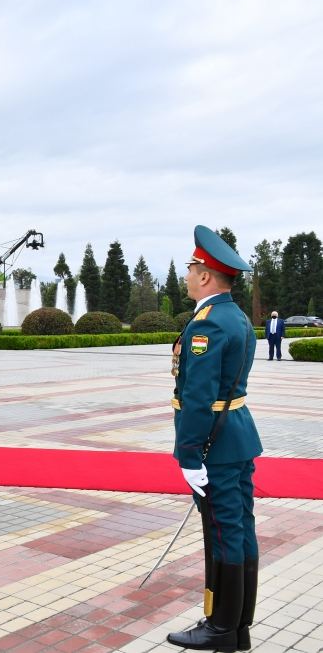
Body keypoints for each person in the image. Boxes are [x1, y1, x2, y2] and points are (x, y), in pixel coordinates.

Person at [167, 225, 262, 652]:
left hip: (214, 445)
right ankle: (237, 626)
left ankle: (220, 628)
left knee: (223, 532)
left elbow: (198, 397)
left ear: (205, 275)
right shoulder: (236, 316)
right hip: (236, 437)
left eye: (190, 268)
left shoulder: (207, 326)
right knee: (240, 527)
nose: (187, 274)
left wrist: (188, 453)